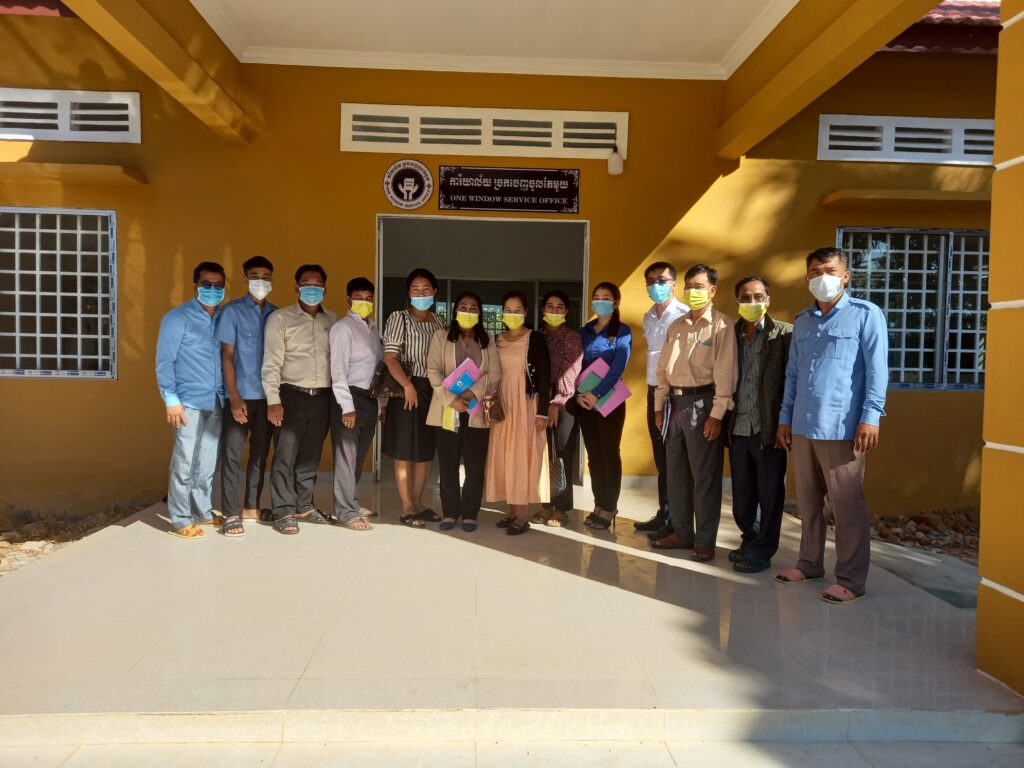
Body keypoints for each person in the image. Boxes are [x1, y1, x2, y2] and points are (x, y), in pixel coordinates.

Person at [775, 247, 887, 604]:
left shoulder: (865, 315)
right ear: (806, 277)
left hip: (842, 427)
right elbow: (793, 374)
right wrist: (785, 418)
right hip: (803, 425)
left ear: (845, 276)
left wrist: (871, 416)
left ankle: (851, 579)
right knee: (808, 503)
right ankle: (809, 563)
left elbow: (877, 369)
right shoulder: (803, 321)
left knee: (846, 506)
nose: (821, 277)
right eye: (815, 271)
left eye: (829, 270)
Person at [653, 264, 737, 562]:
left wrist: (717, 414)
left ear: (712, 291)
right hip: (674, 405)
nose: (692, 291)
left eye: (699, 286)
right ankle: (681, 533)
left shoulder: (722, 326)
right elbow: (663, 370)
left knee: (705, 477)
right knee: (676, 474)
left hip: (703, 404)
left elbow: (726, 372)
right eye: (688, 286)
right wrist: (659, 406)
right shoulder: (677, 326)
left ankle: (705, 540)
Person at [262, 264, 338, 535]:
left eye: (318, 284)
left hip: (323, 396)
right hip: (290, 396)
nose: (312, 289)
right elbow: (271, 362)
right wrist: (273, 400)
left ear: (325, 288)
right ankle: (283, 510)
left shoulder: (333, 320)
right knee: (285, 454)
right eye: (307, 284)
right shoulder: (280, 319)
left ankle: (304, 505)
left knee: (311, 454)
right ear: (296, 287)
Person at [155, 261, 227, 540]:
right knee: (184, 461)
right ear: (195, 285)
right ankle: (181, 518)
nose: (212, 289)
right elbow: (165, 362)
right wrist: (171, 400)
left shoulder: (223, 317)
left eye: (218, 285)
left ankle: (202, 511)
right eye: (207, 284)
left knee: (207, 462)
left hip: (216, 399)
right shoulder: (177, 318)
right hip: (187, 402)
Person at [727, 275, 792, 573]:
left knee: (770, 494)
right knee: (742, 495)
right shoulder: (729, 335)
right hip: (738, 427)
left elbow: (791, 382)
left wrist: (785, 422)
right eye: (745, 297)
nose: (751, 302)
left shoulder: (784, 335)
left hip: (769, 428)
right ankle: (749, 540)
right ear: (737, 301)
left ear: (768, 300)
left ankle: (762, 551)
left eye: (758, 297)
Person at [426, 291, 500, 532]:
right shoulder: (441, 336)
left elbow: (495, 374)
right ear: (455, 311)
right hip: (447, 409)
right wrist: (452, 399)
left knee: (475, 465)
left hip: (476, 410)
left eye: (473, 308)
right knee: (447, 464)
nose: (468, 312)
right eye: (463, 307)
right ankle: (450, 512)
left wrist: (471, 394)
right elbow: (433, 371)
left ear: (480, 313)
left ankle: (470, 514)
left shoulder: (488, 339)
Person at [216, 255, 277, 539]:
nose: (260, 281)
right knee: (232, 455)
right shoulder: (232, 312)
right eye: (254, 276)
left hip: (268, 398)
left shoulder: (276, 315)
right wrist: (234, 396)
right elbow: (227, 355)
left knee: (260, 455)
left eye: (266, 276)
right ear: (244, 279)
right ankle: (230, 513)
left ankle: (251, 507)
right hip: (240, 396)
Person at [381, 268, 447, 527]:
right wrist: (408, 385)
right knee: (405, 449)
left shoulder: (440, 322)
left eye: (426, 289)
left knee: (425, 451)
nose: (421, 294)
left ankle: (419, 503)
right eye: (415, 290)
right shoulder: (399, 318)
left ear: (435, 292)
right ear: (408, 293)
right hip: (406, 387)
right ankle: (407, 506)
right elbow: (390, 358)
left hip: (434, 389)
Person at [485, 290, 551, 535]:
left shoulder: (535, 339)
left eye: (517, 310)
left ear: (525, 312)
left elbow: (544, 376)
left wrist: (542, 411)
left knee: (522, 455)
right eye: (508, 310)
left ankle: (523, 516)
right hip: (503, 404)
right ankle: (512, 511)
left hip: (525, 403)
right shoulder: (496, 339)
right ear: (502, 312)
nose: (512, 314)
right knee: (505, 455)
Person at [636, 261, 688, 536]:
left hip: (675, 393)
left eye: (662, 280)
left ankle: (677, 521)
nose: (656, 285)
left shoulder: (684, 314)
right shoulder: (648, 317)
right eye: (651, 280)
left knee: (675, 458)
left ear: (674, 284)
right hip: (653, 391)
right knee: (660, 456)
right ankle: (664, 512)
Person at [328, 277, 383, 532]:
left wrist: (381, 404)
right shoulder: (343, 328)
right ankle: (346, 512)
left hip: (369, 398)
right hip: (349, 397)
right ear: (348, 300)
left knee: (359, 455)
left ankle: (352, 501)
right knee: (346, 456)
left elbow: (378, 368)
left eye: (368, 298)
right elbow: (338, 370)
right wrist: (346, 407)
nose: (365, 302)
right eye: (359, 297)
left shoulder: (372, 328)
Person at [577, 281, 632, 530]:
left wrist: (597, 393)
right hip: (585, 401)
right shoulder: (585, 331)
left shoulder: (622, 331)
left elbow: (619, 366)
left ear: (615, 302)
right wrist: (579, 395)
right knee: (594, 454)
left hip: (610, 400)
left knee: (609, 453)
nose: (600, 301)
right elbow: (576, 365)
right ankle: (599, 503)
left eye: (606, 297)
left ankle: (610, 506)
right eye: (596, 297)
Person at [532, 290, 583, 527]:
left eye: (559, 307)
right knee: (542, 452)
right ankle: (546, 504)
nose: (554, 310)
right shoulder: (537, 336)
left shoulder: (571, 337)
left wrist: (556, 402)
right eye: (550, 306)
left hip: (563, 399)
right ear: (543, 309)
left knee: (561, 453)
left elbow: (570, 371)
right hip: (539, 396)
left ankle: (561, 507)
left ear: (566, 311)